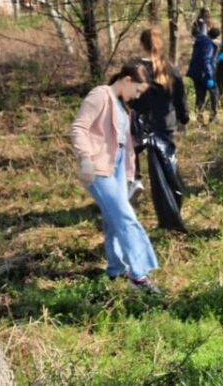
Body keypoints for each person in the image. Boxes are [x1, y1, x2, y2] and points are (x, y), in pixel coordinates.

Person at [70, 60, 163, 293]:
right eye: (138, 90)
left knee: (113, 220)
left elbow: (125, 144)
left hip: (118, 167)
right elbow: (79, 128)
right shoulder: (100, 95)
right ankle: (138, 275)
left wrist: (130, 174)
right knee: (125, 217)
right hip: (99, 167)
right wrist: (85, 159)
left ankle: (115, 268)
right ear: (127, 80)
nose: (137, 96)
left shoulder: (123, 105)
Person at [131, 28, 189, 136]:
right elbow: (180, 95)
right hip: (165, 122)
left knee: (132, 153)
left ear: (142, 44)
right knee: (162, 152)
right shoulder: (170, 68)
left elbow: (125, 97)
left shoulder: (133, 68)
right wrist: (184, 116)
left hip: (139, 123)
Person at [187, 26, 221, 124]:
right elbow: (206, 60)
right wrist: (210, 76)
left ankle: (199, 120)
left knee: (200, 96)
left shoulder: (200, 41)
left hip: (196, 74)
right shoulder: (209, 44)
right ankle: (213, 117)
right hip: (205, 74)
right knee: (214, 93)